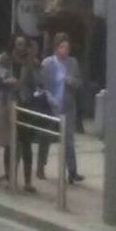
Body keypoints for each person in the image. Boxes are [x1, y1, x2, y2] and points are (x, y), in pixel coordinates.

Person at [0, 36, 41, 192]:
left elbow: (36, 83)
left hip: (25, 103)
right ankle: (9, 177)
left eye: (23, 44)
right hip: (9, 102)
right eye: (17, 44)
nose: (20, 47)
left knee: (26, 142)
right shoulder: (5, 59)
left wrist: (35, 68)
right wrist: (6, 81)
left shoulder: (30, 61)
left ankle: (27, 181)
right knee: (10, 142)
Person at [40, 33, 84, 184]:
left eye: (67, 47)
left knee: (68, 140)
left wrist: (70, 81)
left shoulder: (73, 63)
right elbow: (43, 85)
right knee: (46, 136)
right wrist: (48, 98)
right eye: (62, 47)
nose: (65, 50)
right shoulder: (48, 64)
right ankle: (41, 166)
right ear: (56, 47)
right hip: (51, 105)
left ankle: (72, 171)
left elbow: (79, 83)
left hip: (68, 106)